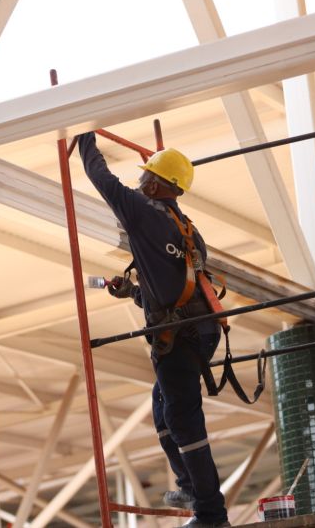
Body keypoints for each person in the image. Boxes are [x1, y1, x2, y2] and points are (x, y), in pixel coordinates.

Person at [78, 132, 229, 527]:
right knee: (165, 411)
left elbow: (100, 176)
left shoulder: (141, 211)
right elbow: (173, 287)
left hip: (180, 337)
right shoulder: (189, 230)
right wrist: (134, 293)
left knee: (182, 418)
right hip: (200, 329)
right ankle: (192, 486)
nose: (140, 181)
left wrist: (83, 136)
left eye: (147, 176)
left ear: (160, 184)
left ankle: (211, 514)